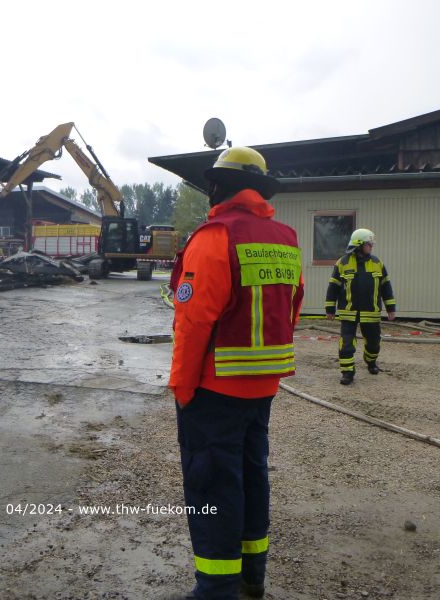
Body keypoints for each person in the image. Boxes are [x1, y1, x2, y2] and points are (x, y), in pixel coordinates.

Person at [168, 146, 304, 600]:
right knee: (251, 474)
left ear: (218, 187)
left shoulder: (214, 236)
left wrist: (183, 387)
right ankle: (252, 577)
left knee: (212, 484)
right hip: (263, 386)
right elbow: (293, 307)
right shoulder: (286, 238)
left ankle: (216, 587)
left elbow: (193, 321)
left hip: (213, 389)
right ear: (261, 190)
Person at [324, 228, 396, 385]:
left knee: (374, 342)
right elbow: (333, 287)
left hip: (371, 313)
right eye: (369, 244)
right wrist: (330, 308)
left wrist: (391, 308)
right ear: (359, 244)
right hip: (348, 313)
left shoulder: (377, 263)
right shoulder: (342, 263)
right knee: (346, 344)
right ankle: (347, 372)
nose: (371, 247)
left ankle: (371, 362)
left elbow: (386, 286)